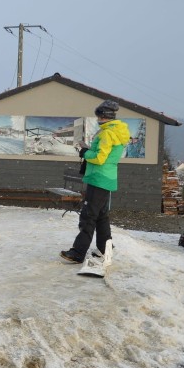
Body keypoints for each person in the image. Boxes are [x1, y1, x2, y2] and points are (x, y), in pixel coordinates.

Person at [60, 100, 130, 263]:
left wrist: (84, 152)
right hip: (107, 177)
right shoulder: (117, 131)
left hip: (99, 177)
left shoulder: (106, 133)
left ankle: (78, 253)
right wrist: (89, 149)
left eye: (99, 116)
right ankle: (105, 250)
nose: (98, 119)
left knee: (88, 215)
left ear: (104, 116)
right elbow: (104, 154)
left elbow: (99, 158)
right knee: (101, 216)